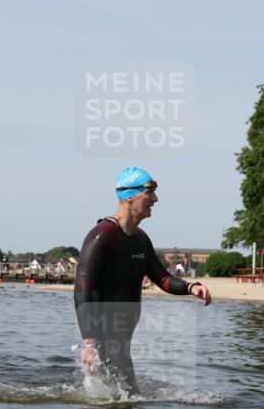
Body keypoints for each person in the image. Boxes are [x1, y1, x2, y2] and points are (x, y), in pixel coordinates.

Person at [74, 167, 212, 395]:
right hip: (101, 343)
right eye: (150, 192)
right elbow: (82, 290)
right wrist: (89, 344)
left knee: (127, 404)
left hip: (122, 343)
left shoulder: (140, 238)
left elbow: (163, 278)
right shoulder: (102, 235)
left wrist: (191, 287)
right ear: (130, 195)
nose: (155, 199)